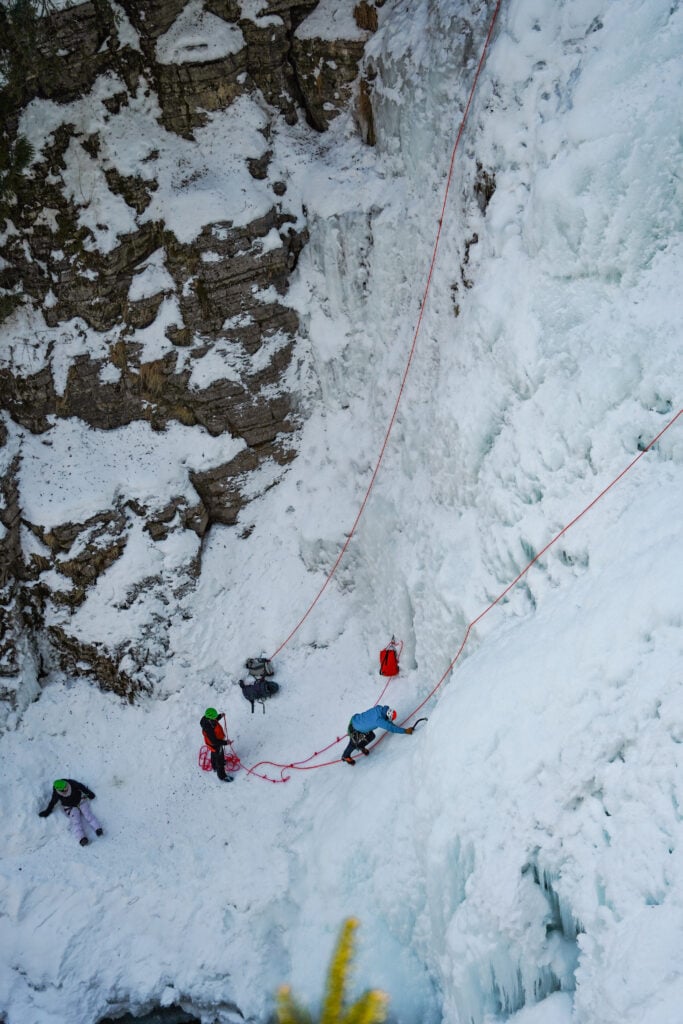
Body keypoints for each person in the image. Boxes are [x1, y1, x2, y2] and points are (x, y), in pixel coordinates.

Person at [38, 778, 103, 846]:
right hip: (70, 807)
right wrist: (47, 811)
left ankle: (98, 829)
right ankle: (82, 838)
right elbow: (52, 802)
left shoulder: (71, 783)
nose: (67, 787)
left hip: (80, 800)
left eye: (66, 786)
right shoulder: (57, 793)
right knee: (76, 821)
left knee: (88, 814)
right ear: (60, 790)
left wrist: (90, 794)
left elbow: (81, 787)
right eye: (65, 788)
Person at [341, 705, 414, 765]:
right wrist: (405, 731)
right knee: (353, 743)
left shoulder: (379, 708)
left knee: (371, 736)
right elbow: (391, 728)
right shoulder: (379, 721)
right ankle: (345, 756)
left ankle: (361, 746)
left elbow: (388, 723)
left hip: (357, 720)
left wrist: (392, 724)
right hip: (355, 727)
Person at [200, 707, 233, 782]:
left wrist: (220, 716)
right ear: (210, 718)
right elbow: (215, 741)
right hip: (216, 744)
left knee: (214, 754)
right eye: (214, 717)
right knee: (220, 760)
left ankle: (214, 766)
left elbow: (215, 719)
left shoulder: (206, 719)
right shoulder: (209, 728)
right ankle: (222, 776)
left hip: (212, 744)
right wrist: (225, 742)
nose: (215, 718)